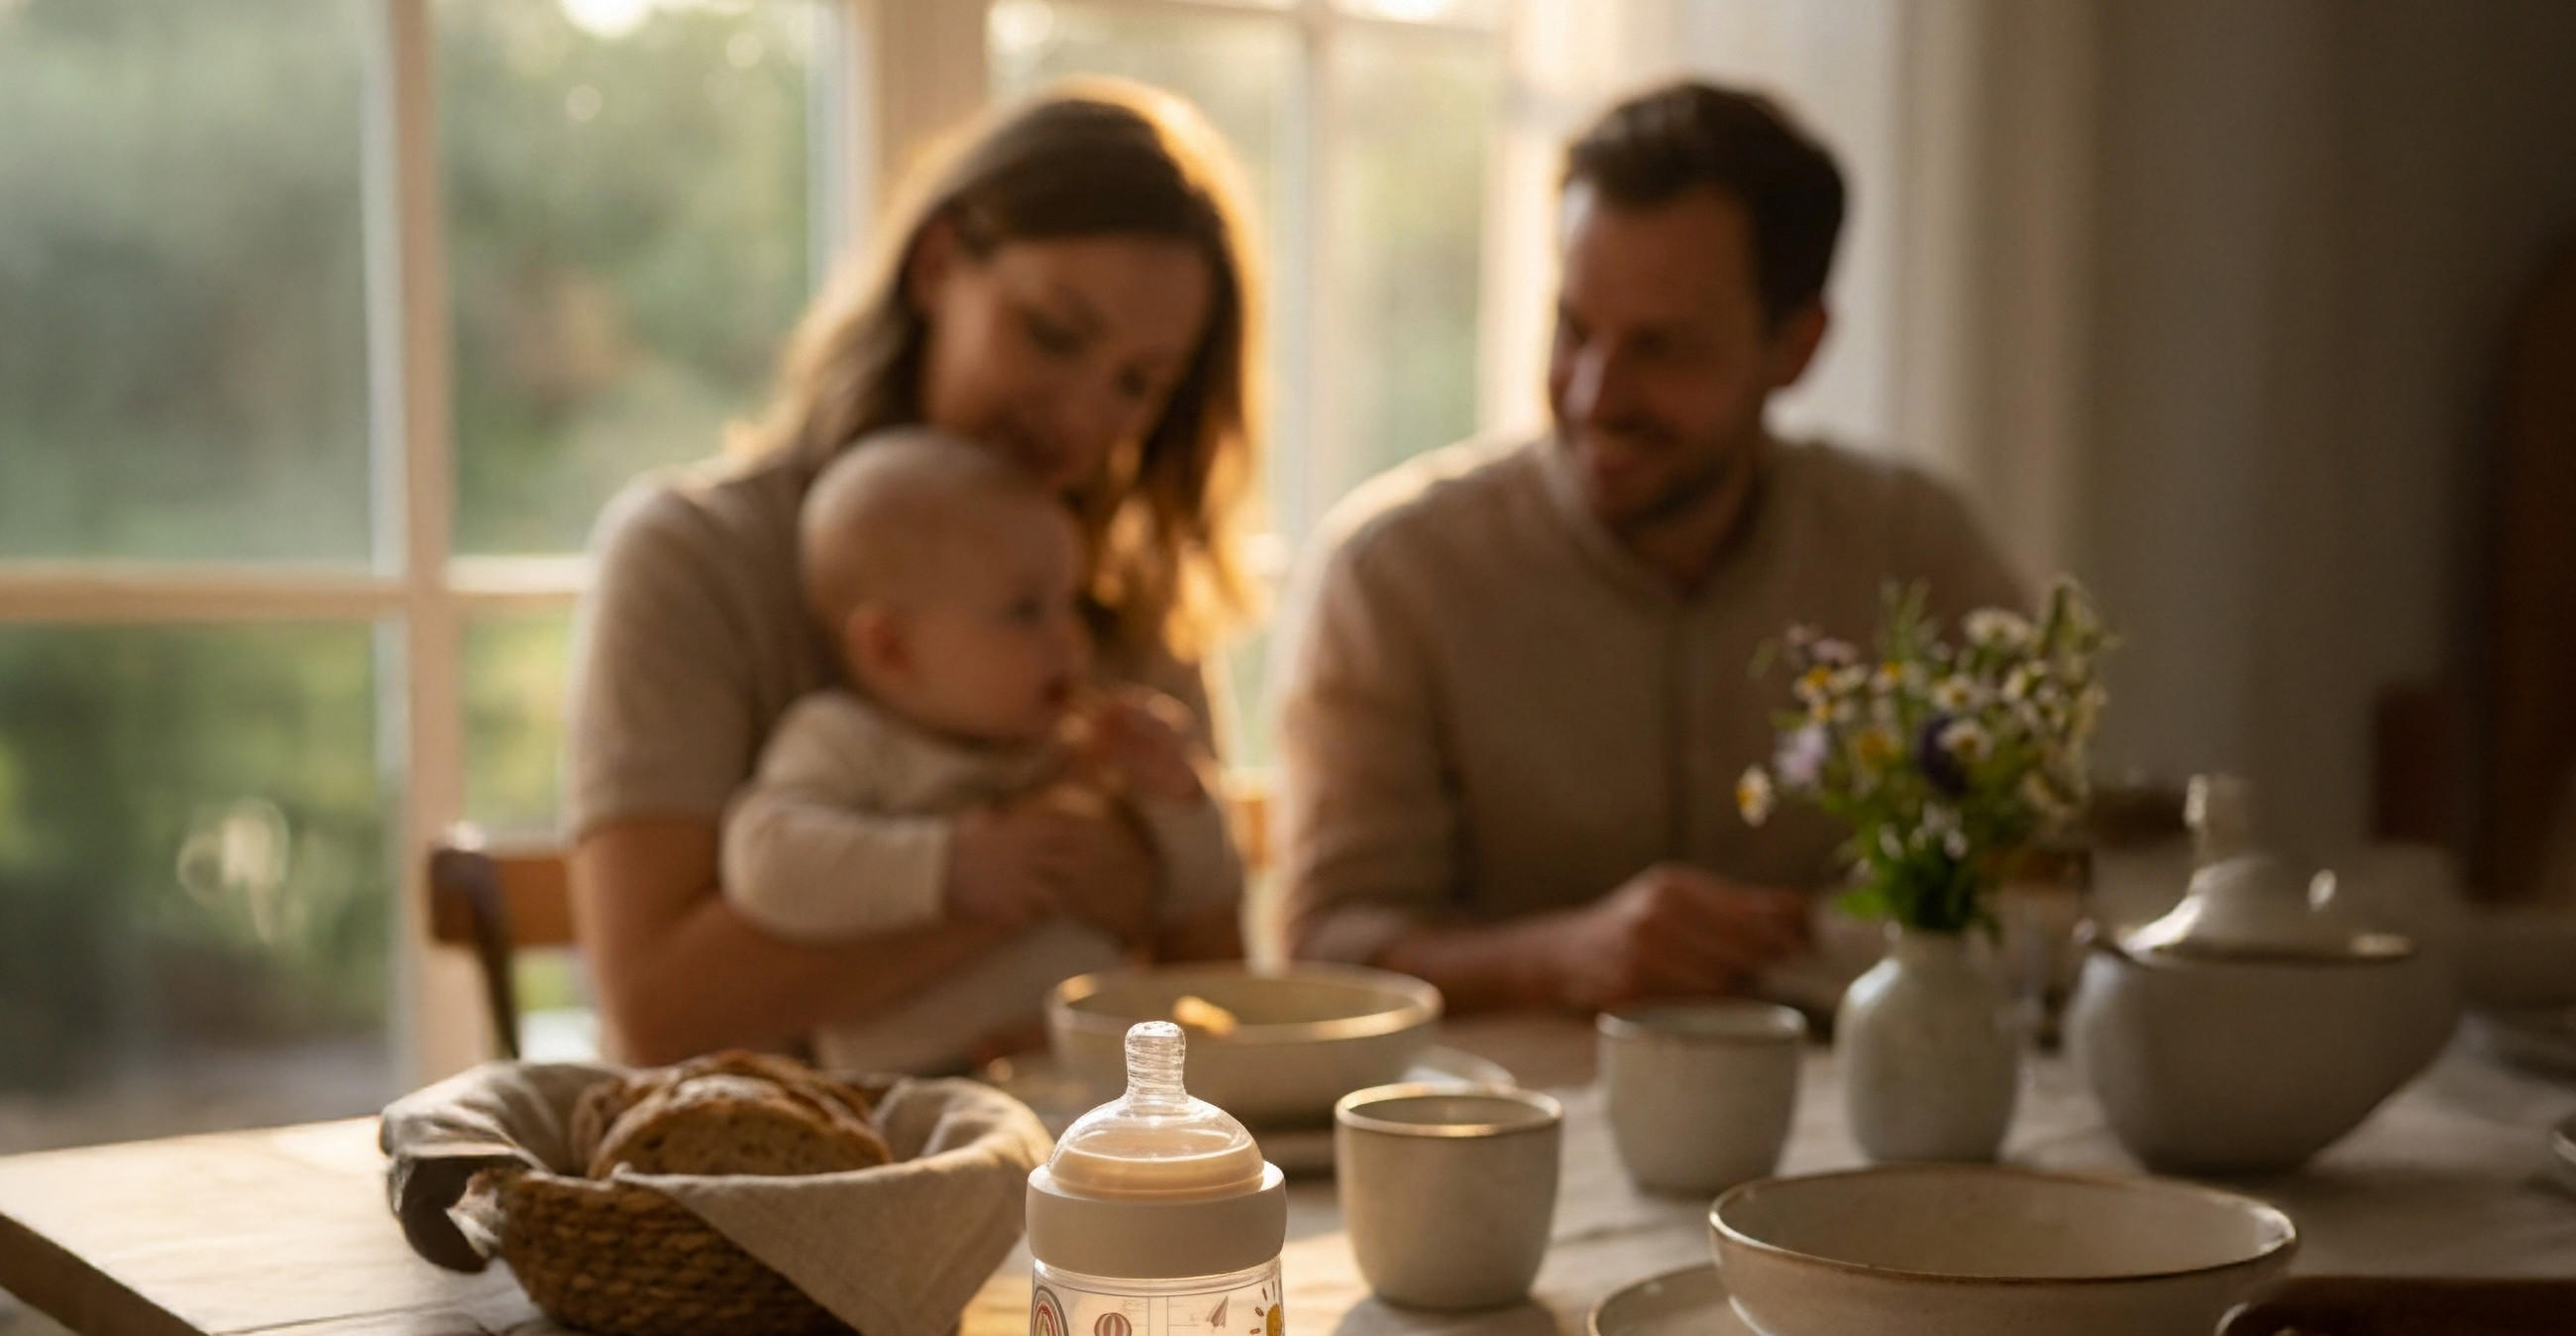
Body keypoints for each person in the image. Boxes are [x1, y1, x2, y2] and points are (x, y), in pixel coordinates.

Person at [1276, 80, 2034, 1014]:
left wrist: (1802, 941)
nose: (1595, 395)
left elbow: (2042, 880)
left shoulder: (1916, 545)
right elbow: (1323, 952)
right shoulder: (1393, 577)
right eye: (1574, 329)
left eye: (1664, 348)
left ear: (1796, 347)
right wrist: (1557, 956)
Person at [566, 82, 1261, 1063]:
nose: (1078, 415)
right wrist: (1042, 864)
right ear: (937, 265)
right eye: (1052, 334)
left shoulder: (1124, 600)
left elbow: (1211, 999)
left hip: (1061, 1177)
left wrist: (1161, 853)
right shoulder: (694, 559)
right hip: (755, 1191)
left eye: (1137, 383)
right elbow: (660, 1013)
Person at [720, 427, 1238, 1073]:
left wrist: (1178, 797)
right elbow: (766, 857)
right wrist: (949, 865)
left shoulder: (1071, 748)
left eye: (1069, 604)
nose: (1071, 640)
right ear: (891, 649)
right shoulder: (846, 739)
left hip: (1085, 1088)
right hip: (909, 1104)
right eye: (1025, 611)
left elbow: (1195, 894)